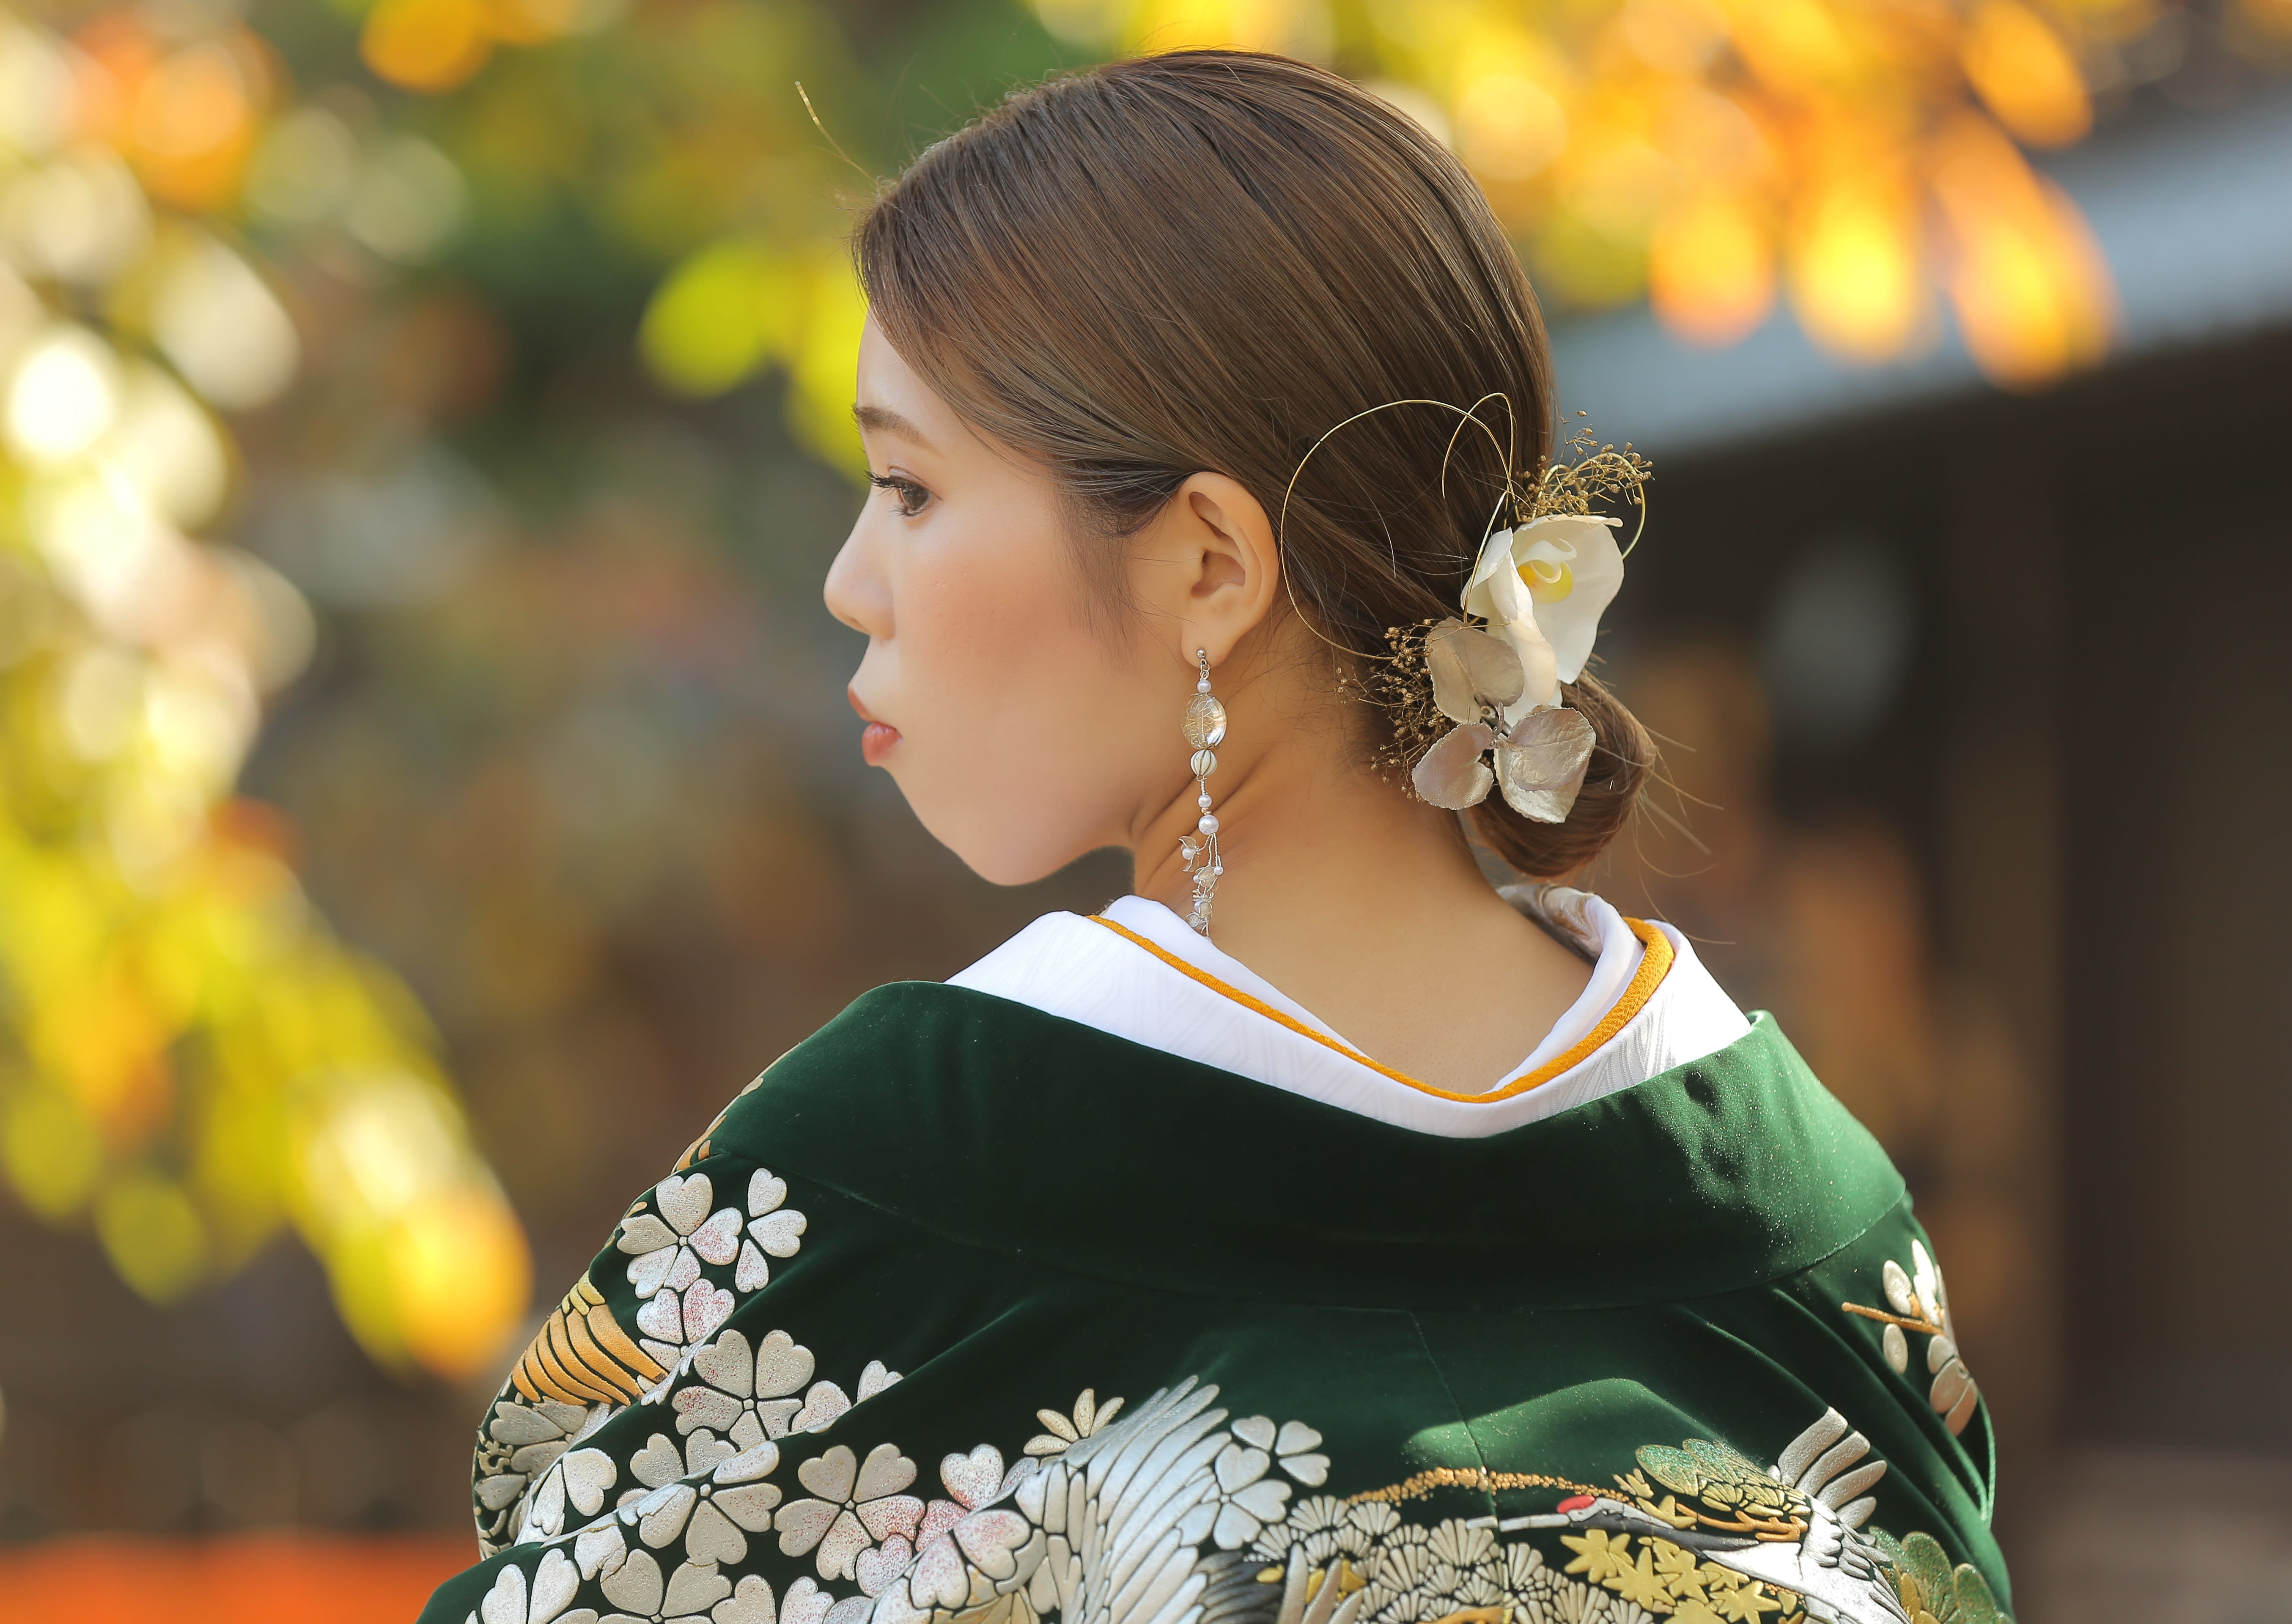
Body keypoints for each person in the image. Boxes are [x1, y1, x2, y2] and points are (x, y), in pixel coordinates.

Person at [419, 51, 2009, 1624]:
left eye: (907, 488)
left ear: (1207, 569)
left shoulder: (904, 1176)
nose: (852, 581)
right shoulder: (1808, 1215)